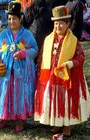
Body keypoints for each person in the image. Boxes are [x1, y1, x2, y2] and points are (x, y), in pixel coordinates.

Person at [34, 5, 90, 139]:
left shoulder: (73, 41)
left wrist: (70, 64)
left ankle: (67, 126)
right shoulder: (48, 39)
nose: (58, 26)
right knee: (54, 99)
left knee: (66, 101)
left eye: (61, 24)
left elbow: (81, 57)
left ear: (68, 24)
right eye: (56, 23)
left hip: (67, 77)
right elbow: (42, 56)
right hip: (50, 77)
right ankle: (57, 123)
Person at [0, 2, 38, 132]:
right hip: (5, 72)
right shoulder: (3, 34)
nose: (11, 21)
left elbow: (35, 50)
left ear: (20, 19)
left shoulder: (27, 34)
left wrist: (24, 53)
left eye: (14, 18)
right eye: (9, 18)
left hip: (21, 73)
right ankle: (3, 118)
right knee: (5, 94)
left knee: (19, 94)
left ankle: (19, 120)